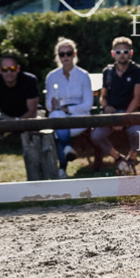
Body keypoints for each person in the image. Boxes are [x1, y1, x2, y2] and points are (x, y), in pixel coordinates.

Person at [0, 52, 40, 183]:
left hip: (29, 117)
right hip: (5, 117)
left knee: (39, 130)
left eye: (12, 69)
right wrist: (1, 122)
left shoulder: (30, 80)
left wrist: (16, 122)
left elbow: (32, 111)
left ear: (18, 69)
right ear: (0, 70)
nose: (8, 72)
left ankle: (40, 172)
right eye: (5, 69)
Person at [91, 36, 140, 172]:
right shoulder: (107, 72)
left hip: (131, 113)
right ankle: (118, 158)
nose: (122, 55)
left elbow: (137, 99)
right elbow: (102, 97)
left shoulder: (139, 71)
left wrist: (123, 118)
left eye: (125, 52)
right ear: (113, 54)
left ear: (131, 53)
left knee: (139, 132)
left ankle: (131, 158)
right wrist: (105, 107)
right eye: (118, 52)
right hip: (111, 115)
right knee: (96, 135)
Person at [44, 38, 93, 179]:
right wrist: (53, 105)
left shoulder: (83, 75)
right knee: (56, 118)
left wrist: (68, 110)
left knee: (59, 128)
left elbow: (87, 105)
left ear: (74, 54)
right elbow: (49, 106)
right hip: (59, 115)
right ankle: (67, 148)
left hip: (80, 116)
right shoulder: (52, 77)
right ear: (58, 56)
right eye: (62, 54)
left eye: (69, 53)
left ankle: (62, 168)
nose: (65, 57)